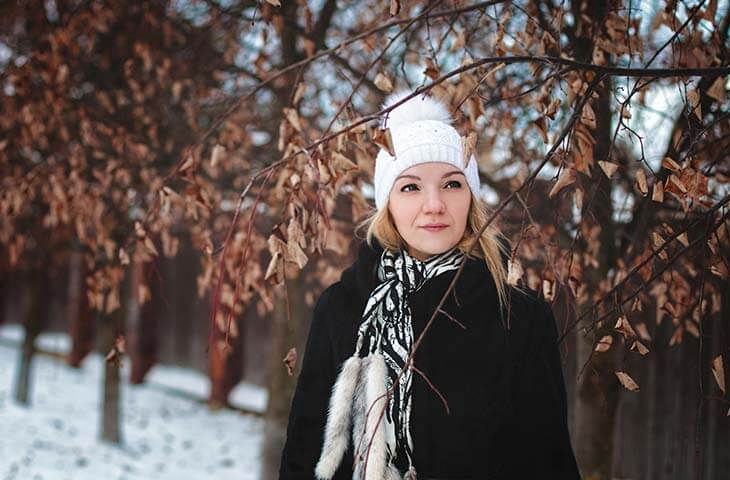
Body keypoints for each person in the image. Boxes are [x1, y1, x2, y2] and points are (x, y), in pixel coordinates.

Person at [279, 90, 581, 480]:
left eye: (452, 184)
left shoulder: (519, 316)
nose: (435, 204)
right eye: (410, 187)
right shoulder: (342, 307)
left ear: (471, 197)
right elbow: (304, 451)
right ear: (388, 202)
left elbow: (547, 459)